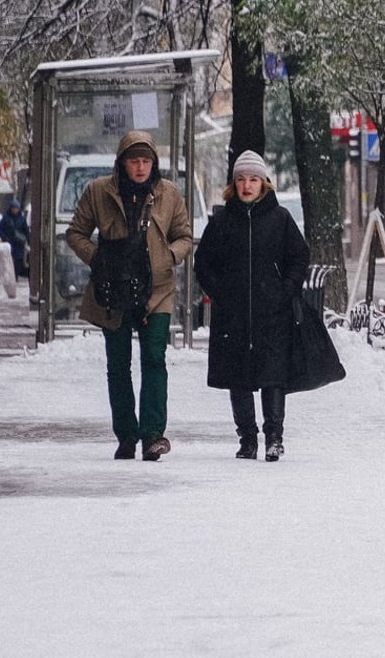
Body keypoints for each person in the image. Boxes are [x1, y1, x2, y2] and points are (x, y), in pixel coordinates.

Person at [66, 130, 193, 461]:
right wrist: (97, 258)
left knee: (154, 358)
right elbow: (76, 232)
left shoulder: (169, 194)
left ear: (154, 164)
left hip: (157, 290)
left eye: (146, 161)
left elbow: (185, 237)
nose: (140, 167)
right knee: (118, 364)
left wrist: (168, 257)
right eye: (134, 161)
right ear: (121, 163)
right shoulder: (99, 192)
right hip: (113, 290)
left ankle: (153, 435)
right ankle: (126, 434)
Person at [194, 150, 309, 462]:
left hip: (272, 312)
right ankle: (247, 437)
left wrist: (285, 290)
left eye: (254, 179)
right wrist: (220, 292)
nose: (247, 185)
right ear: (234, 184)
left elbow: (299, 257)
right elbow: (203, 262)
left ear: (264, 183)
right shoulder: (221, 221)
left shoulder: (280, 219)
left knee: (273, 374)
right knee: (238, 376)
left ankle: (274, 436)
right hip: (233, 314)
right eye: (242, 179)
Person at [0, 199, 31, 278]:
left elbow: (26, 230)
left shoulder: (21, 219)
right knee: (9, 260)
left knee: (18, 261)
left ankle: (15, 276)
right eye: (14, 208)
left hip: (19, 244)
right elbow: (0, 229)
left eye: (17, 208)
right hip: (9, 243)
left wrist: (28, 240)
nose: (15, 210)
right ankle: (10, 276)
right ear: (11, 208)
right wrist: (4, 238)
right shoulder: (6, 218)